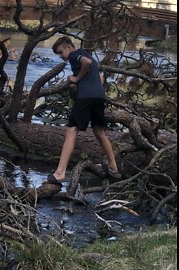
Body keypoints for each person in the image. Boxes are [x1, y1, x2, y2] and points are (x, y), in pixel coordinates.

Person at [46, 36, 121, 186]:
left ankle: (60, 173)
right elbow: (99, 76)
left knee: (72, 130)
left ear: (68, 46)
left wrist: (77, 78)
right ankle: (113, 168)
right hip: (99, 96)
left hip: (85, 97)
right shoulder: (88, 54)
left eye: (61, 52)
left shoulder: (74, 55)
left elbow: (85, 64)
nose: (61, 56)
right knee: (99, 131)